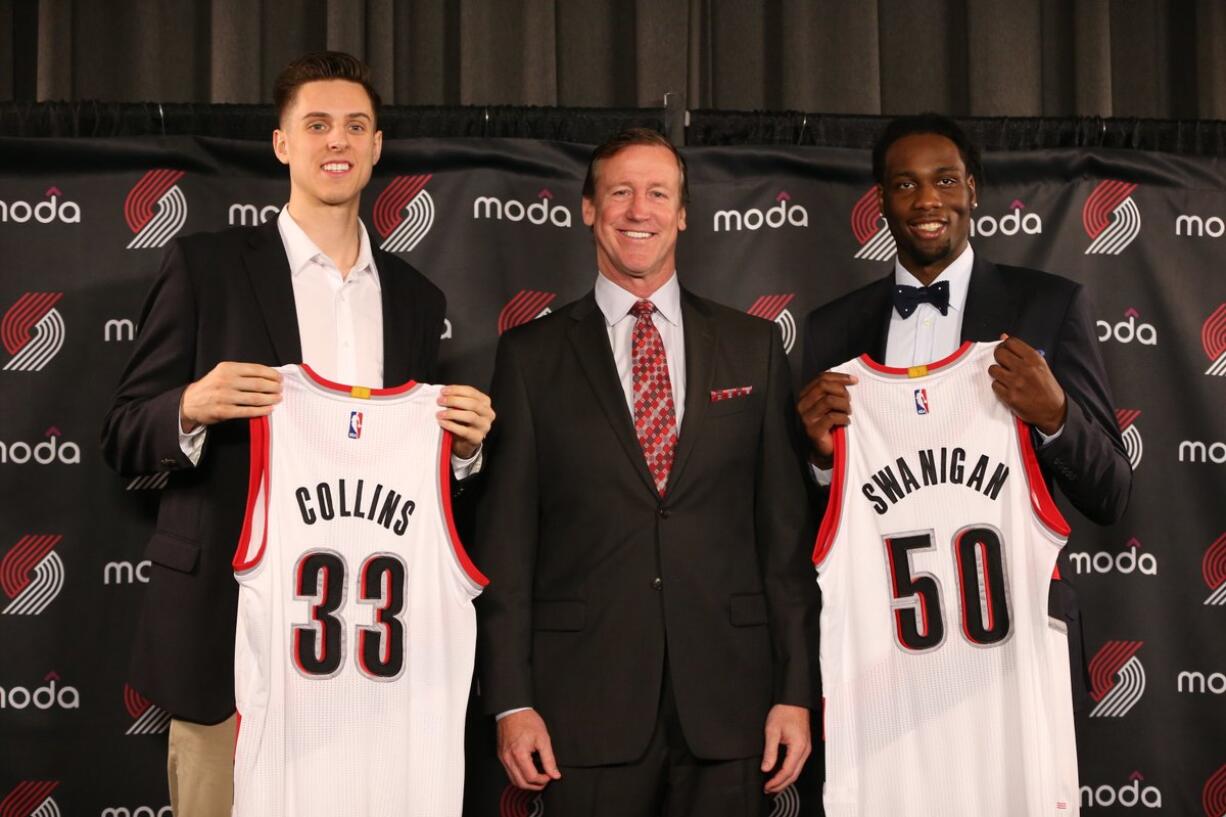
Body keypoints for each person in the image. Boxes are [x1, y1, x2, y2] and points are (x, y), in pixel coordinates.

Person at [100, 51, 493, 817]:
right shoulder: (203, 267)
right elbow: (121, 432)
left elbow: (410, 480)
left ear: (378, 146)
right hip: (226, 642)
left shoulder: (416, 298)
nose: (336, 141)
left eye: (354, 125)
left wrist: (465, 450)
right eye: (315, 124)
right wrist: (191, 405)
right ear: (282, 143)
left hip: (367, 659)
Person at [474, 128, 818, 817]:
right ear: (588, 209)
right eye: (621, 192)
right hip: (583, 706)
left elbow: (784, 541)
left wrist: (796, 691)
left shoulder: (753, 348)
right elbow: (504, 548)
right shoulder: (529, 357)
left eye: (658, 193)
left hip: (730, 705)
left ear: (684, 212)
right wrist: (511, 698)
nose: (640, 210)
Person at [798, 112, 1130, 527]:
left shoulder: (1050, 306)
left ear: (971, 191)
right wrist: (823, 462)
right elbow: (803, 523)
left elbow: (1111, 495)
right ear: (880, 199)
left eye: (945, 180)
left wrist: (1056, 417)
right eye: (905, 184)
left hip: (1015, 590)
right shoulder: (830, 330)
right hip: (883, 588)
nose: (927, 200)